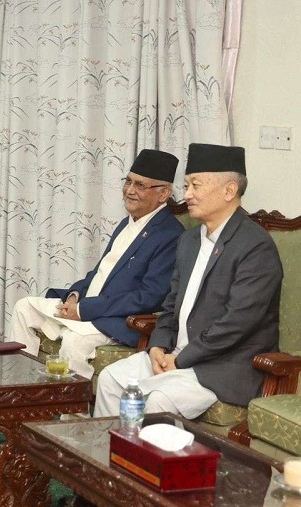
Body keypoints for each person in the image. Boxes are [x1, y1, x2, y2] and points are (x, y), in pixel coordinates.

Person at [94, 144, 282, 419]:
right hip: (175, 355)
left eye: (195, 185)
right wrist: (158, 346)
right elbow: (171, 304)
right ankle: (113, 449)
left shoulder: (255, 247)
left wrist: (180, 359)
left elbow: (237, 324)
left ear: (229, 191)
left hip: (220, 367)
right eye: (186, 185)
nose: (187, 195)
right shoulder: (189, 240)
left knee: (159, 400)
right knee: (110, 380)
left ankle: (147, 449)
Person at [10, 149, 184, 379]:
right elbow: (101, 272)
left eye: (141, 185)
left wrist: (84, 310)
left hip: (117, 321)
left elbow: (149, 297)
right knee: (24, 308)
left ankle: (73, 403)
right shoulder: (127, 224)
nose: (130, 191)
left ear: (164, 194)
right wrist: (74, 296)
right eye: (128, 181)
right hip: (88, 308)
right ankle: (22, 389)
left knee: (74, 341)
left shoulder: (170, 234)